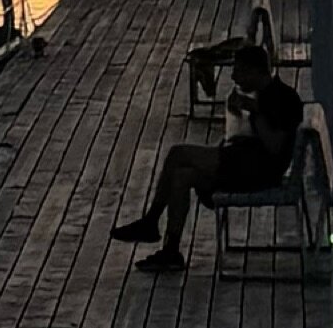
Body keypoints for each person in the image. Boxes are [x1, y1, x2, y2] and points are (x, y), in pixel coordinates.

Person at [116, 33, 307, 273]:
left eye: (238, 71)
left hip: (257, 172)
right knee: (182, 176)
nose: (234, 77)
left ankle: (150, 222)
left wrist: (252, 111)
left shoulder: (281, 98)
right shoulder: (266, 95)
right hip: (245, 162)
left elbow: (275, 146)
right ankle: (171, 250)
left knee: (178, 154)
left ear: (254, 72)